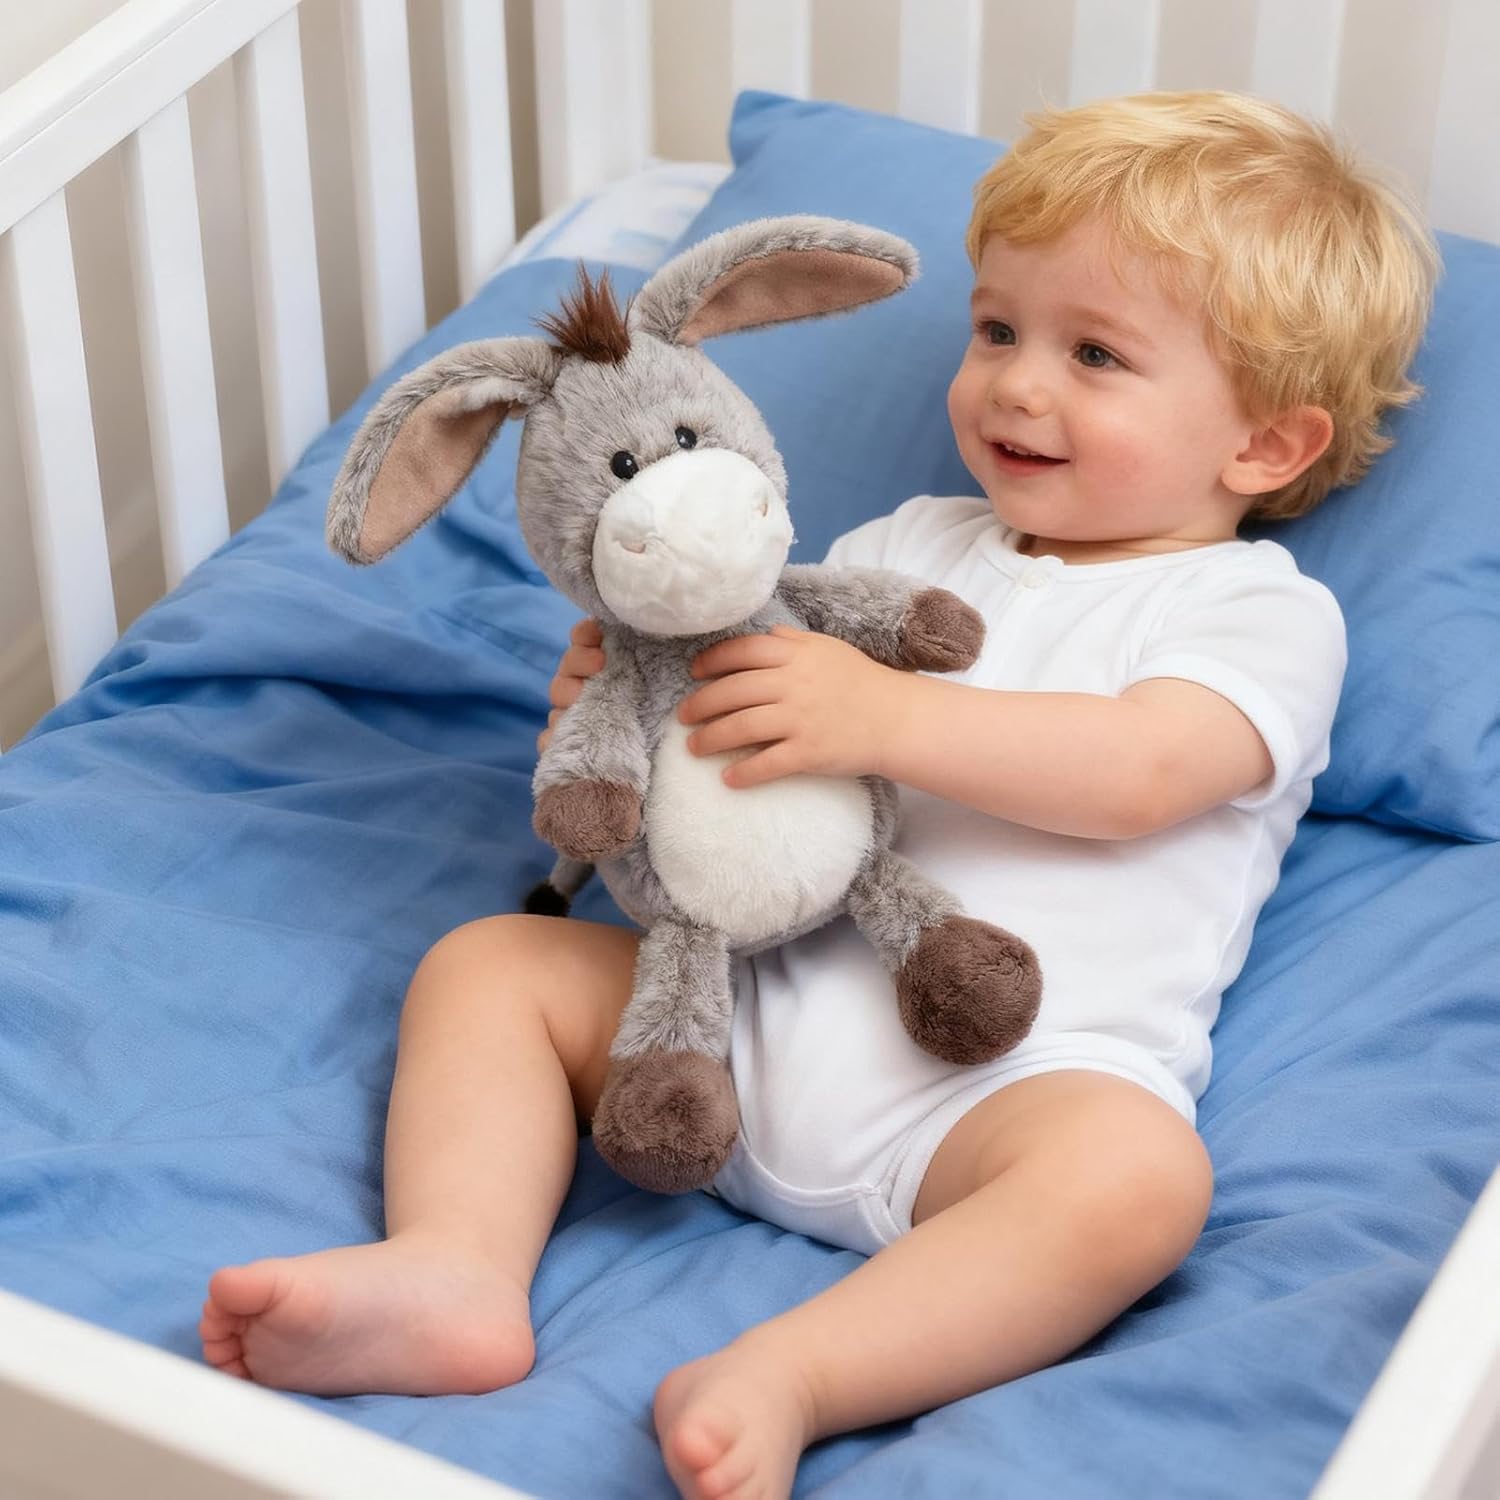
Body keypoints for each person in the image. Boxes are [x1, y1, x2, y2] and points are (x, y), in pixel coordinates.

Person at [199, 91, 1437, 1500]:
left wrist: (889, 716)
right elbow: (741, 734)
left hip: (995, 1097)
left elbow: (1143, 772)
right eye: (997, 330)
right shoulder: (905, 542)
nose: (1016, 385)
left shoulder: (1256, 610)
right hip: (722, 1026)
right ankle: (455, 1268)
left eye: (1095, 354)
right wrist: (619, 713)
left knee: (1137, 1180)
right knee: (490, 967)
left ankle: (797, 1371)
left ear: (1265, 447)